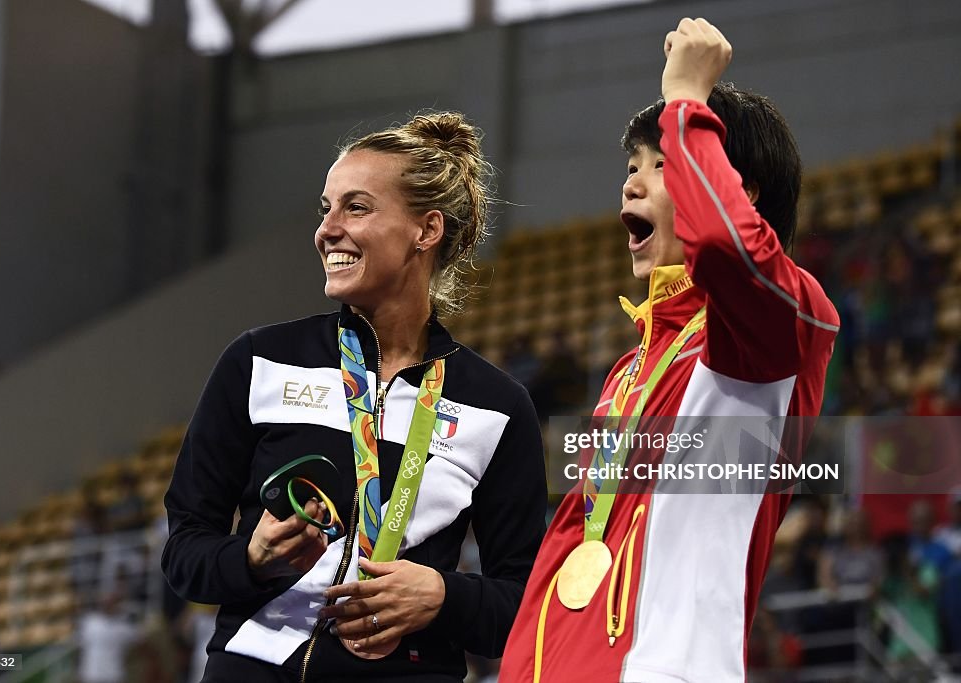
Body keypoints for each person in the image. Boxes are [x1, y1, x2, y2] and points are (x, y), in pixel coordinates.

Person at [500, 18, 838, 682]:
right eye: (632, 167)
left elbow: (726, 248)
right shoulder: (631, 370)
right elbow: (573, 538)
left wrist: (685, 94)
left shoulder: (771, 331)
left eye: (660, 164)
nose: (631, 184)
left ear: (738, 187)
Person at [162, 112, 547, 682]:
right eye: (326, 208)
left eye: (357, 207)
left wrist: (444, 595)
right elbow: (184, 553)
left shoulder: (496, 406)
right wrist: (248, 559)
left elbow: (528, 607)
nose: (328, 228)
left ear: (426, 230)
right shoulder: (259, 361)